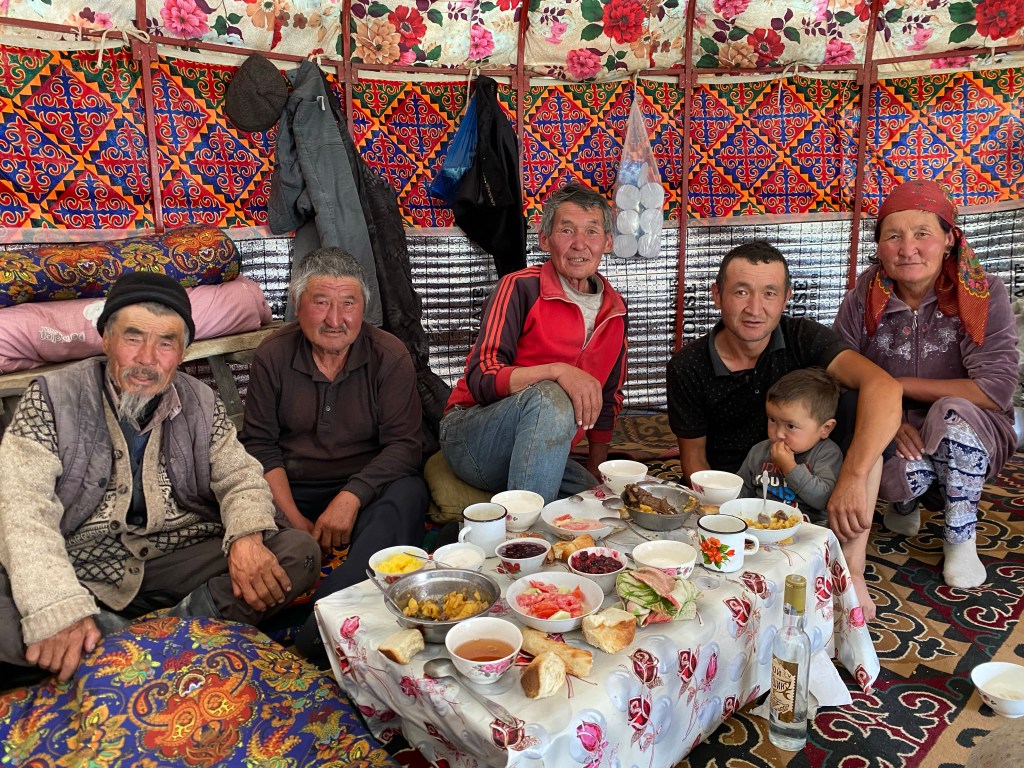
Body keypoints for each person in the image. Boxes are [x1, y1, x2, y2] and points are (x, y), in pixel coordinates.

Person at [0, 272, 321, 683]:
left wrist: (245, 537)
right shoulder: (50, 397)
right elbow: (22, 507)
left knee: (297, 553)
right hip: (81, 567)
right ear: (106, 339)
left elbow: (240, 477)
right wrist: (56, 605)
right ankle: (173, 638)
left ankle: (121, 643)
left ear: (182, 352)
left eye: (166, 343)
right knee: (17, 605)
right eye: (133, 338)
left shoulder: (200, 401)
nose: (147, 358)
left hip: (175, 558)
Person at [667, 241, 903, 620]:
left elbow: (886, 388)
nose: (755, 308)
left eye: (769, 293)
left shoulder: (801, 337)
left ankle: (852, 569)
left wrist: (852, 477)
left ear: (786, 298)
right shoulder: (688, 365)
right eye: (741, 292)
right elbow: (694, 462)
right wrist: (723, 520)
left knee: (865, 412)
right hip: (741, 487)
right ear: (717, 295)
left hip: (813, 476)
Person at [239, 248, 428, 658]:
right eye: (321, 303)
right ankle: (312, 616)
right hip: (292, 488)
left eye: (348, 304)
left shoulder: (389, 354)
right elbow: (260, 445)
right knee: (247, 522)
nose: (335, 319)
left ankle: (327, 616)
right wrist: (294, 518)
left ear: (364, 308)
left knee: (408, 494)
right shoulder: (273, 354)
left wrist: (351, 497)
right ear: (297, 306)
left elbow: (405, 445)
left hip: (367, 487)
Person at [833, 180, 1018, 589]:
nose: (907, 248)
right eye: (893, 236)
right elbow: (836, 372)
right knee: (873, 440)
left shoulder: (982, 292)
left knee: (952, 417)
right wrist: (888, 418)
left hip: (971, 426)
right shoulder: (863, 297)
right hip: (896, 427)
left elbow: (994, 390)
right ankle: (904, 502)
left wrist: (893, 387)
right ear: (879, 245)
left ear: (949, 239)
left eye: (922, 234)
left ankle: (960, 535)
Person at [440, 183, 628, 504]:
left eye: (592, 232)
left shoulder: (616, 311)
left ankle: (536, 510)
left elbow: (607, 398)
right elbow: (482, 377)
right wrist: (558, 371)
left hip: (538, 447)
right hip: (472, 437)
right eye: (566, 230)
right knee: (551, 396)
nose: (579, 243)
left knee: (598, 503)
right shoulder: (520, 288)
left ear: (607, 242)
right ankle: (526, 528)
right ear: (544, 240)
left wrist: (596, 468)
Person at [737, 367, 844, 524]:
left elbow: (824, 499)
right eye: (772, 420)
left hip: (808, 530)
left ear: (825, 428)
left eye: (791, 426)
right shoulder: (759, 451)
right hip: (761, 526)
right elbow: (741, 491)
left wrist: (790, 468)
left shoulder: (827, 454)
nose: (779, 433)